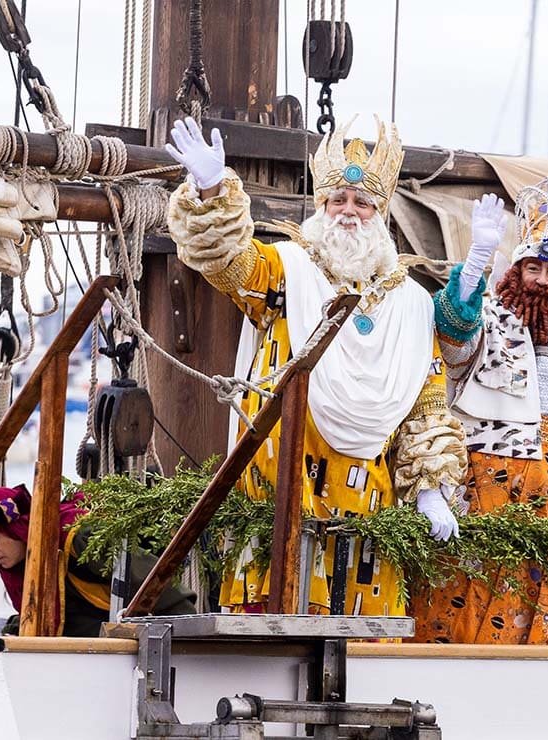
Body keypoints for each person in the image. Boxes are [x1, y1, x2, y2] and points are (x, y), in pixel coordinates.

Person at [165, 115, 467, 616]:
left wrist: (431, 490)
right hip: (284, 479)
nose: (349, 212)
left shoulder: (413, 303)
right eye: (337, 201)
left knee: (361, 637)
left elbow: (428, 404)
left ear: (381, 212)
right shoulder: (288, 269)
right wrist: (213, 188)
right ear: (321, 206)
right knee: (275, 607)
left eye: (362, 202)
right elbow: (230, 266)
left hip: (367, 496)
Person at [410, 178, 548, 645]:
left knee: (538, 615)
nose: (542, 281)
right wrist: (472, 272)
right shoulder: (487, 321)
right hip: (478, 492)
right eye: (534, 268)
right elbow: (452, 343)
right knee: (462, 605)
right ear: (518, 268)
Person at [0, 484, 196, 637]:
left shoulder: (79, 538)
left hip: (153, 638)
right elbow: (65, 619)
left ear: (17, 529)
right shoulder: (24, 568)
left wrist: (192, 639)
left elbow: (157, 583)